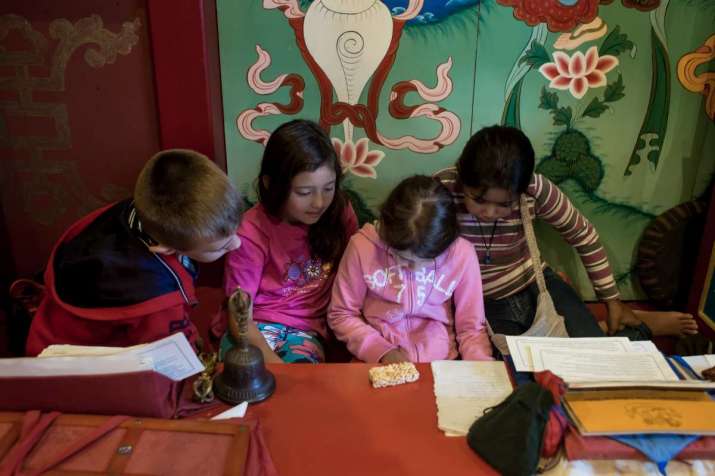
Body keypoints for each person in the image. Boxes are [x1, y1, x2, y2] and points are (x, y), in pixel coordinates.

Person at [435, 125, 698, 342]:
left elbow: (584, 236)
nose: (489, 212)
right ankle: (614, 329)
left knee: (595, 354)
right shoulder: (442, 188)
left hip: (537, 285)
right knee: (525, 370)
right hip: (478, 299)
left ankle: (632, 325)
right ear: (462, 177)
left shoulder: (535, 189)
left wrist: (612, 300)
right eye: (479, 200)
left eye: (505, 204)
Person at [25, 149, 243, 356]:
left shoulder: (139, 212)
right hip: (70, 365)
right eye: (220, 247)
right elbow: (172, 355)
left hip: (50, 326)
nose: (237, 244)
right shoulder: (156, 298)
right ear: (166, 248)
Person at [218, 119, 358, 363]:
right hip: (254, 325)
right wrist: (275, 365)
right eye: (304, 192)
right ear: (271, 184)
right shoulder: (250, 231)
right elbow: (239, 317)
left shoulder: (340, 212)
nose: (318, 203)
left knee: (301, 388)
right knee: (244, 379)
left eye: (329, 188)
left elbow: (357, 274)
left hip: (304, 331)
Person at [328, 175, 493, 363]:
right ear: (385, 231)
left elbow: (471, 328)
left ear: (447, 243)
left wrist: (481, 365)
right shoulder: (362, 247)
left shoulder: (462, 254)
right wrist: (380, 351)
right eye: (403, 257)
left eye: (428, 261)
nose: (413, 269)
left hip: (441, 363)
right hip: (374, 359)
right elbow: (341, 314)